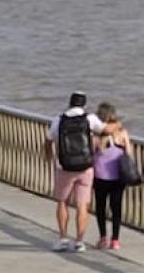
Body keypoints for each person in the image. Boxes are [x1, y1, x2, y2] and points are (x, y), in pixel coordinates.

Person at [44, 91, 108, 252]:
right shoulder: (90, 119)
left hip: (64, 167)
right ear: (84, 104)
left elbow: (48, 141)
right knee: (82, 205)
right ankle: (79, 241)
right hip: (86, 167)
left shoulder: (58, 120)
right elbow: (106, 131)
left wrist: (49, 157)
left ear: (69, 103)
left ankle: (63, 238)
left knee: (62, 202)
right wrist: (99, 146)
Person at [92, 102, 132, 250]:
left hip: (99, 176)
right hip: (117, 177)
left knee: (101, 208)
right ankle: (115, 240)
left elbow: (91, 153)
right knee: (116, 208)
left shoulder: (96, 135)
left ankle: (103, 237)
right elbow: (128, 153)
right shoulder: (122, 132)